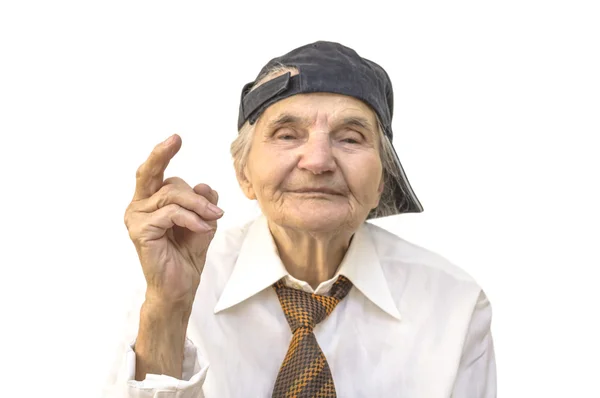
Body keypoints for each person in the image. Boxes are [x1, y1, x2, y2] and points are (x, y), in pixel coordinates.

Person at [106, 41, 496, 397]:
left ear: (382, 182)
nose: (318, 161)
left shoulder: (453, 304)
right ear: (245, 175)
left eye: (350, 138)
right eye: (287, 135)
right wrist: (169, 306)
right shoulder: (172, 285)